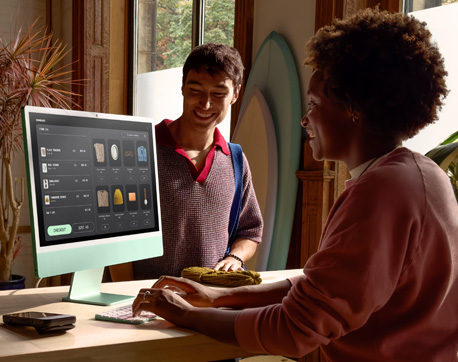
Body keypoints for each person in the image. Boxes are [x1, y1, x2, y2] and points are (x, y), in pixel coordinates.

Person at [132, 8, 458, 361]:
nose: (305, 118)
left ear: (353, 108)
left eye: (315, 103)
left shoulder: (380, 192)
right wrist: (218, 296)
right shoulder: (421, 174)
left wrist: (186, 315)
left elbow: (295, 328)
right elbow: (321, 288)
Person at [131, 43, 263, 279]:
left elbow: (250, 231)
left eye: (219, 93)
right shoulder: (141, 149)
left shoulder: (235, 160)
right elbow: (112, 237)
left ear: (235, 94)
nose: (206, 103)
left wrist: (235, 257)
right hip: (144, 301)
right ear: (182, 87)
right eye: (196, 90)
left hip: (208, 303)